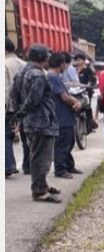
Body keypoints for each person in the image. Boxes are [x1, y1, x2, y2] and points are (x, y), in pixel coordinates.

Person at [10, 44, 62, 202]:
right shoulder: (38, 75)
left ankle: (42, 184)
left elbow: (14, 95)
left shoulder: (22, 72)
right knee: (42, 158)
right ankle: (39, 190)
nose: (48, 59)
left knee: (36, 155)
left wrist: (20, 115)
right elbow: (34, 99)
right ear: (42, 58)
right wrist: (22, 112)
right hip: (41, 122)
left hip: (31, 123)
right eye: (47, 56)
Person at [48, 52, 83, 179]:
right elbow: (64, 97)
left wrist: (75, 101)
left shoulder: (54, 77)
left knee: (69, 141)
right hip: (61, 116)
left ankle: (69, 165)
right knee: (63, 143)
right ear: (62, 64)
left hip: (63, 115)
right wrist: (76, 102)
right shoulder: (54, 77)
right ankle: (60, 169)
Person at [5, 37, 26, 178]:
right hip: (24, 105)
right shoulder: (24, 64)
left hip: (10, 106)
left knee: (6, 136)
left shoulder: (4, 64)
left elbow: (5, 90)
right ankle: (28, 164)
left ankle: (9, 166)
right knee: (26, 136)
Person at [74, 53, 99, 131]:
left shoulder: (88, 70)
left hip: (86, 92)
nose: (78, 62)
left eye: (79, 60)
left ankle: (90, 124)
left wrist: (90, 84)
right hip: (75, 91)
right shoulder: (73, 70)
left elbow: (92, 80)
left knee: (87, 107)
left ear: (84, 61)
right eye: (76, 60)